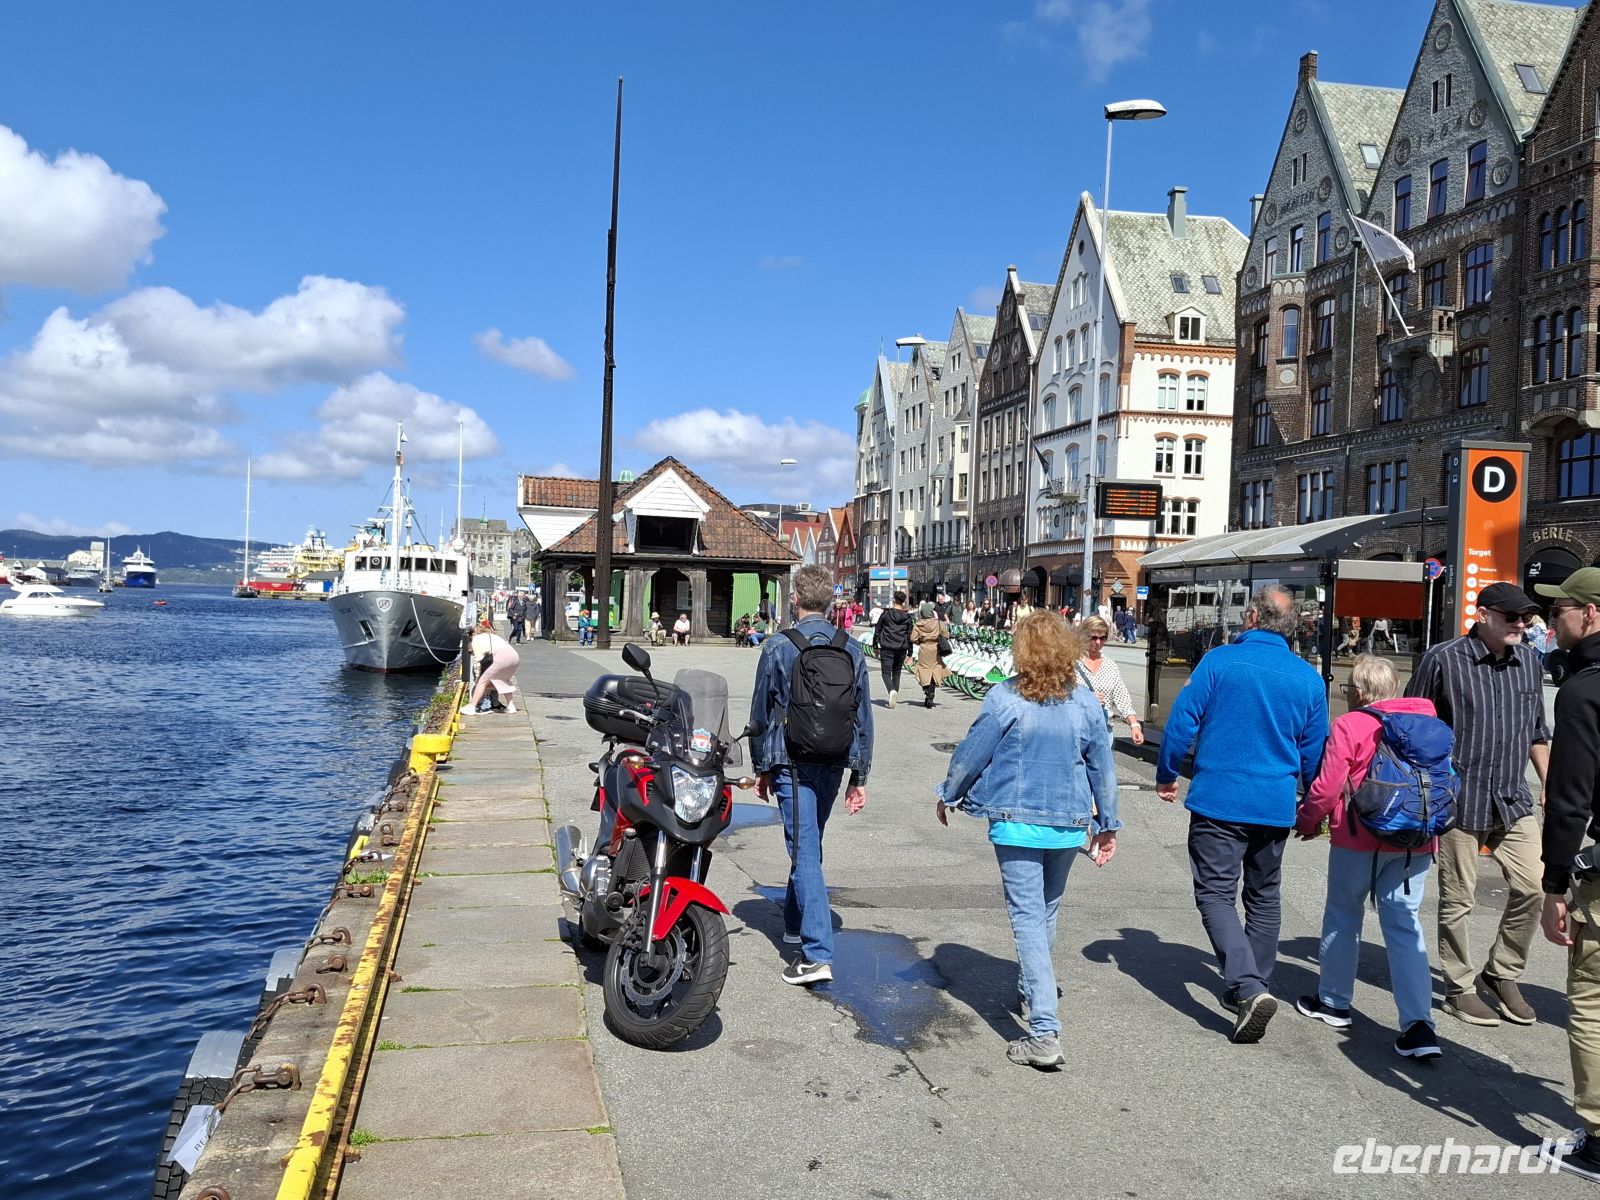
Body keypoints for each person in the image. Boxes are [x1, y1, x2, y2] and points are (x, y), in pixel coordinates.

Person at [935, 610, 1119, 1068]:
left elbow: (973, 752)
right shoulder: (1085, 702)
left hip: (1017, 822)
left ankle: (1044, 1030)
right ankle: (1031, 990)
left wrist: (949, 793)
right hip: (1068, 822)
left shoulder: (1006, 697)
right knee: (1046, 911)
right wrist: (1107, 823)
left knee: (1028, 918)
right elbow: (1102, 765)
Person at [1155, 585, 1328, 1044]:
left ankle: (1248, 988)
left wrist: (1167, 773)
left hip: (1220, 798)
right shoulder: (1308, 679)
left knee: (1215, 894)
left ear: (1251, 616)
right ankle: (1253, 985)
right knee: (1264, 896)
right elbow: (1316, 754)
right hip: (1274, 804)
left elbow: (1181, 724)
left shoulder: (1219, 662)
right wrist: (1313, 806)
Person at [1406, 581, 1550, 1027]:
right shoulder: (1443, 659)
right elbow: (1413, 724)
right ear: (1483, 613)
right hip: (1459, 800)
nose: (1521, 624)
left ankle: (1501, 971)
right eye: (1512, 616)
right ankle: (1459, 987)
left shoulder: (1529, 660)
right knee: (1459, 898)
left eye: (1526, 617)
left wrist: (1551, 782)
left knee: (1536, 886)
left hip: (1511, 796)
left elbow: (1537, 732)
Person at [1294, 654, 1443, 1059]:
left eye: (1348, 690)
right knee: (1405, 925)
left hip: (1359, 838)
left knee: (1344, 915)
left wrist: (1308, 822)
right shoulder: (1430, 722)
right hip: (1416, 839)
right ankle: (1419, 1027)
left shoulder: (1351, 724)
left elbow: (1327, 787)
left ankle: (1334, 1002)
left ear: (1358, 692)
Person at [748, 564, 874, 985]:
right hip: (834, 759)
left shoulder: (778, 646)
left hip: (791, 761)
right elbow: (863, 719)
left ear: (796, 599)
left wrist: (761, 767)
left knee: (803, 849)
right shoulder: (852, 649)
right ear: (831, 602)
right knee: (808, 842)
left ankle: (816, 954)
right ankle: (793, 922)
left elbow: (761, 713)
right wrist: (860, 776)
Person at [1536, 567, 1600, 1181]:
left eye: (1563, 609)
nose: (1552, 619)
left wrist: (1555, 885)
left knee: (1591, 1001)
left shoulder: (1583, 692)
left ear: (1593, 615)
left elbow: (1569, 798)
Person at [1075, 616, 1144, 746]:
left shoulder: (1110, 665)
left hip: (1103, 731)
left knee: (1103, 767)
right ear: (1083, 636)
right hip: (1076, 730)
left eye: (1102, 638)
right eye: (1093, 637)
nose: (1098, 642)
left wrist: (1134, 725)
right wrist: (1085, 698)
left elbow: (1122, 698)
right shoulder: (1072, 663)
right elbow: (1059, 696)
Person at [462, 617, 520, 716]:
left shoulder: (476, 640)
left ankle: (472, 707)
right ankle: (511, 706)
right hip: (514, 657)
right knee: (503, 680)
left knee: (482, 682)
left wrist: (478, 677)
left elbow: (478, 661)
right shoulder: (493, 636)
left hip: (500, 656)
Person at [873, 591, 915, 708]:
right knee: (896, 673)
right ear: (903, 602)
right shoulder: (907, 617)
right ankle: (894, 695)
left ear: (894, 600)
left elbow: (877, 630)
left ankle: (891, 691)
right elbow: (909, 635)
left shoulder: (886, 614)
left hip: (887, 646)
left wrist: (875, 646)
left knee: (886, 673)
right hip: (901, 647)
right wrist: (910, 653)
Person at [910, 601, 951, 709]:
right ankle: (932, 690)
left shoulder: (918, 624)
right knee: (935, 668)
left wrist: (920, 642)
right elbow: (946, 635)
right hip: (936, 648)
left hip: (924, 649)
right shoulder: (938, 623)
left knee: (924, 669)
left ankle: (927, 690)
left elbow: (913, 638)